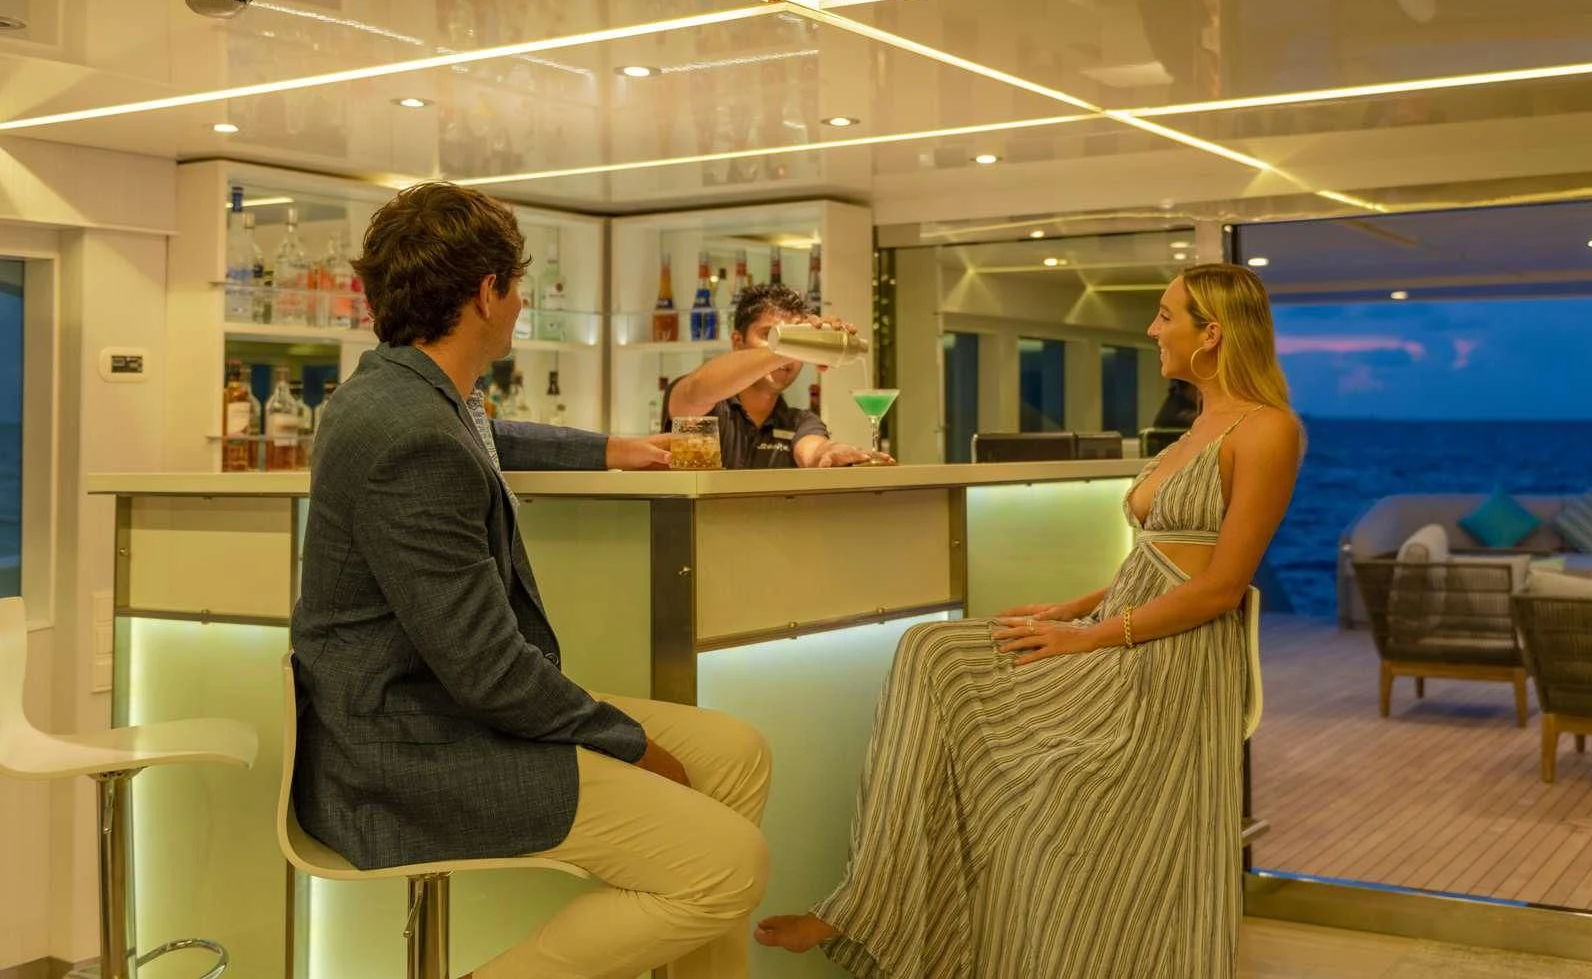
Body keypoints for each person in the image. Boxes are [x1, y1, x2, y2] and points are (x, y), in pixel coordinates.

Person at [753, 262, 1304, 976]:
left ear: (1213, 332)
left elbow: (1218, 588)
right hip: (1122, 629)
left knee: (975, 700)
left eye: (1165, 316)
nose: (1151, 329)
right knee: (931, 649)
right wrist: (1071, 608)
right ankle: (870, 902)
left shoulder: (1269, 430)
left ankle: (883, 914)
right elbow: (1158, 562)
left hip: (1173, 665)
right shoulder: (1198, 425)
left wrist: (1089, 634)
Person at [292, 183, 772, 979]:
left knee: (735, 753)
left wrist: (607, 448)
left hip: (429, 714)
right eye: (517, 286)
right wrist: (629, 745)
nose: (521, 303)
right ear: (487, 292)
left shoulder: (405, 394)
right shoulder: (411, 432)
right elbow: (489, 671)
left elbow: (491, 434)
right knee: (730, 866)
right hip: (410, 753)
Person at [662, 281, 879, 468]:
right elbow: (697, 389)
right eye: (769, 335)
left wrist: (835, 452)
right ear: (738, 342)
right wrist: (791, 345)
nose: (788, 350)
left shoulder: (798, 421)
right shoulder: (709, 408)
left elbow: (814, 451)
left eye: (796, 341)